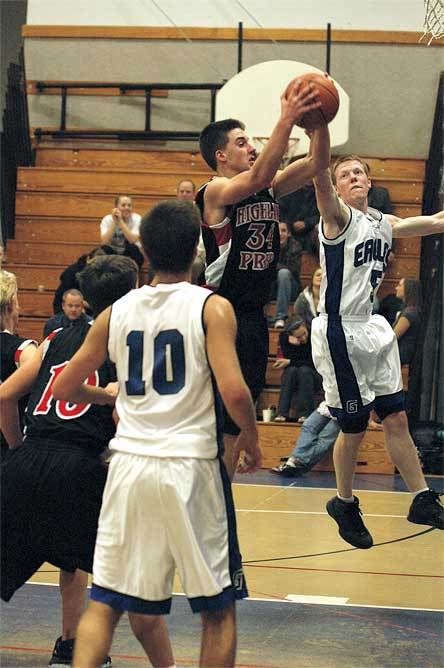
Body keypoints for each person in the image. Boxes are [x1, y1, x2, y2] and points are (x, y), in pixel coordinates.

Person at [52, 199, 261, 668]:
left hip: (128, 465)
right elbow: (236, 392)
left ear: (143, 251)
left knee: (105, 602)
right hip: (190, 466)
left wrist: (116, 396)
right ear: (195, 249)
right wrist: (250, 436)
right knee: (218, 610)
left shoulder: (115, 312)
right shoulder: (213, 307)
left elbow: (65, 385)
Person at [0, 255, 174, 668]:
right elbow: (121, 414)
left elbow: (5, 395)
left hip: (29, 458)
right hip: (80, 464)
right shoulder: (128, 343)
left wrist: (16, 448)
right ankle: (73, 647)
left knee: (45, 557)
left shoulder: (54, 337)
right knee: (104, 571)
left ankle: (71, 644)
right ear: (134, 291)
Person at [310, 147, 444, 549]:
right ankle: (344, 502)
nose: (353, 178)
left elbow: (436, 221)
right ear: (336, 187)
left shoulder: (382, 222)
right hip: (339, 331)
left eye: (359, 173)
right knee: (353, 427)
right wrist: (319, 135)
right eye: (345, 174)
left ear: (369, 182)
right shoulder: (336, 218)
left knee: (396, 418)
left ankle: (421, 497)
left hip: (370, 327)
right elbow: (319, 178)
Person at [196, 79, 330, 479]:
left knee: (240, 416)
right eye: (241, 142)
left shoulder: (267, 185)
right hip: (220, 310)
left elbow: (316, 164)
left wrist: (318, 123)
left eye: (252, 141)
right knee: (216, 414)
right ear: (220, 155)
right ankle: (208, 492)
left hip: (253, 314)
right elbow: (255, 179)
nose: (251, 146)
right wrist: (286, 118)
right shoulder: (215, 190)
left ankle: (222, 493)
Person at [0, 269, 38, 460]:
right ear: (9, 306)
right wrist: (16, 446)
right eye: (17, 302)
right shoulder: (23, 350)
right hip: (9, 450)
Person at [271, 401, 340, 476]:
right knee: (308, 426)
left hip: (345, 408)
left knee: (325, 439)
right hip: (329, 402)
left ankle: (295, 461)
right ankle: (297, 463)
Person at [273, 319, 323, 423]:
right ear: (290, 336)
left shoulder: (314, 335)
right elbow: (290, 360)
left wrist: (291, 361)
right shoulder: (284, 338)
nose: (304, 338)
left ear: (305, 327)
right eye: (299, 337)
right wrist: (293, 347)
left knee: (304, 371)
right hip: (294, 376)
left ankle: (305, 414)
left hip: (314, 376)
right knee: (291, 370)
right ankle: (282, 413)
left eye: (304, 333)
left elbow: (313, 361)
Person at [52, 246, 114, 314]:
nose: (98, 265)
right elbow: (59, 300)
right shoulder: (72, 273)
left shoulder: (112, 275)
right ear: (88, 259)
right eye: (96, 261)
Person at [100, 194, 144, 268]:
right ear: (116, 208)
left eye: (129, 205)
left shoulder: (137, 218)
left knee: (132, 248)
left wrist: (120, 221)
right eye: (123, 205)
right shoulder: (107, 219)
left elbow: (132, 240)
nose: (127, 208)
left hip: (130, 252)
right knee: (103, 250)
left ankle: (133, 276)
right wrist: (114, 222)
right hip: (113, 251)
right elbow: (104, 241)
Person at [272, 221, 302, 328]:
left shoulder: (295, 246)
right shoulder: (267, 246)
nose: (280, 233)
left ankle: (281, 317)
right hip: (272, 288)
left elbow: (293, 269)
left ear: (289, 234)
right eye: (277, 231)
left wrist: (275, 267)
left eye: (283, 231)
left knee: (283, 273)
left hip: (290, 287)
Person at [279, 180, 321, 256]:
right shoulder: (290, 189)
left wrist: (306, 223)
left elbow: (322, 215)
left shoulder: (320, 192)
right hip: (289, 228)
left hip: (309, 230)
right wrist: (288, 225)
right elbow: (281, 209)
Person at [393, 277, 422, 365]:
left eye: (400, 285)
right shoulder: (411, 311)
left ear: (408, 290)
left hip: (401, 358)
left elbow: (392, 337)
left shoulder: (409, 314)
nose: (396, 288)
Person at [294, 266, 322, 331]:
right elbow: (299, 320)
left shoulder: (332, 298)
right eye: (318, 275)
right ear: (312, 278)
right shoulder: (302, 298)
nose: (321, 277)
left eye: (323, 276)